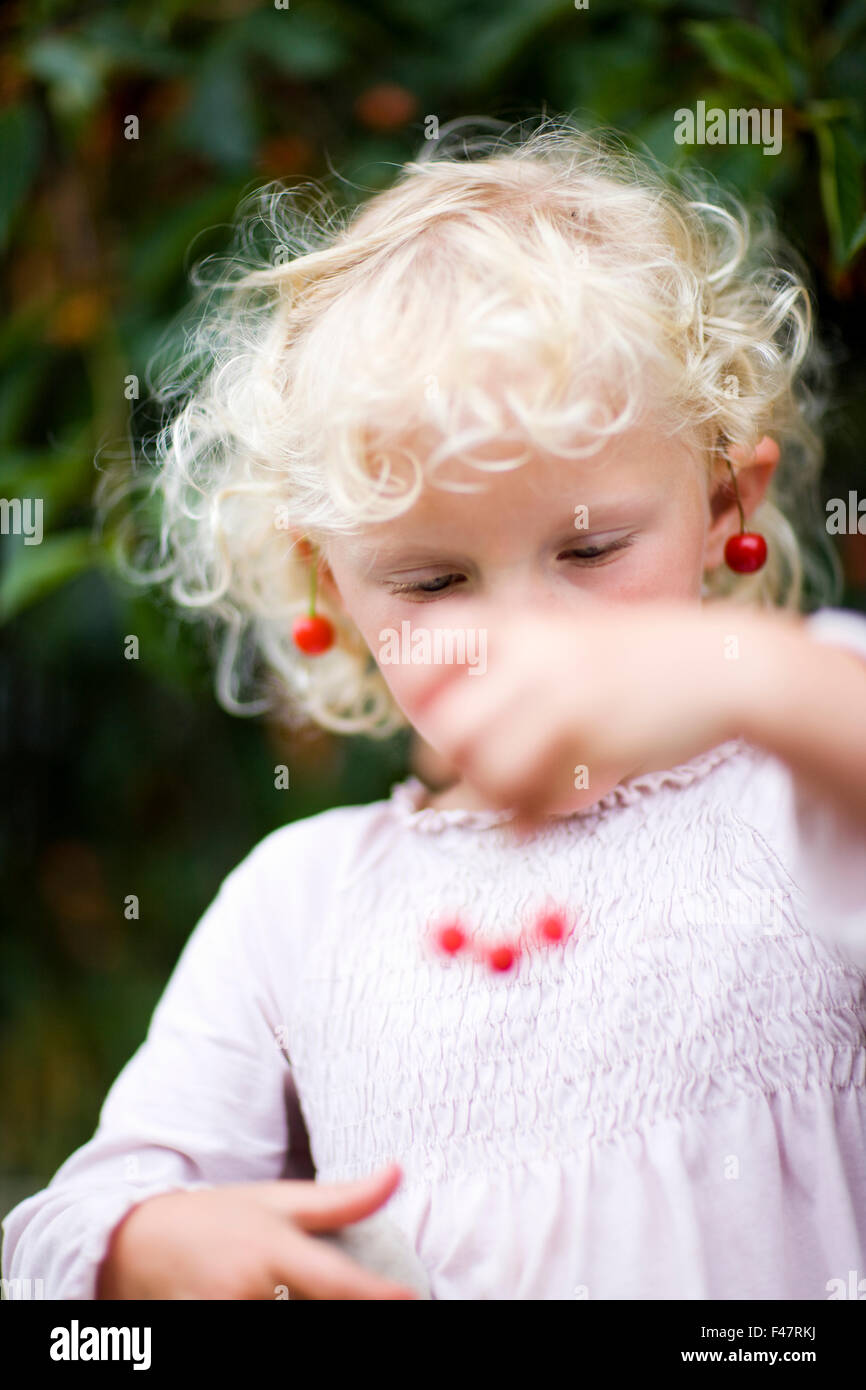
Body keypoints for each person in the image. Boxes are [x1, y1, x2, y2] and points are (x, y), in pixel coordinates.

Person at [3, 116, 865, 1301]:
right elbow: (58, 1245)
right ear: (328, 582)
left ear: (727, 493)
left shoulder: (800, 789)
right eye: (432, 578)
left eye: (591, 547)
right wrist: (147, 1250)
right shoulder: (299, 909)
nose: (523, 630)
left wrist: (748, 673)